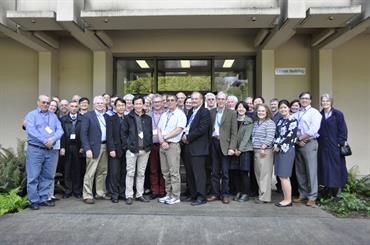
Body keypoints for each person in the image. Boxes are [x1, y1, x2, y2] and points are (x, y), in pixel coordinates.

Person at [24, 95, 64, 210]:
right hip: (36, 149)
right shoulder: (31, 115)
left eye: (48, 103)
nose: (46, 104)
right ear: (38, 103)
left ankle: (43, 198)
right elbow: (31, 130)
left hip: (50, 151)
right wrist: (44, 140)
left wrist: (52, 140)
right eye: (43, 102)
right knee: (33, 176)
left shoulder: (53, 116)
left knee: (48, 176)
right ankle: (33, 200)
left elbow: (60, 130)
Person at [121, 96, 153, 205]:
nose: (138, 106)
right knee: (130, 173)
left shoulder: (148, 118)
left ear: (143, 105)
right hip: (132, 150)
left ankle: (139, 194)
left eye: (140, 104)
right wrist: (127, 147)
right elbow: (123, 134)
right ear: (133, 105)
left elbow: (149, 134)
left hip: (145, 150)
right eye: (136, 104)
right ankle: (129, 195)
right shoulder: (127, 117)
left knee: (141, 173)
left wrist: (149, 146)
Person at [207, 92, 237, 204]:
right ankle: (215, 193)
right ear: (216, 100)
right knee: (214, 171)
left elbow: (234, 132)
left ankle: (225, 194)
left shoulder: (232, 113)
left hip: (225, 145)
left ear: (226, 100)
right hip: (213, 143)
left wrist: (232, 147)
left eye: (222, 99)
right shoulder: (211, 112)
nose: (220, 101)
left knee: (225, 172)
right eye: (218, 99)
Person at [157, 94, 187, 205]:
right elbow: (159, 128)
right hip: (163, 145)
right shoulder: (165, 114)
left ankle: (175, 196)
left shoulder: (180, 114)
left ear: (176, 102)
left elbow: (179, 129)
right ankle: (168, 194)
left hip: (172, 146)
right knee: (165, 172)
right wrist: (161, 141)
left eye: (172, 100)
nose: (170, 102)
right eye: (168, 100)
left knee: (174, 172)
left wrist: (165, 138)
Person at [293, 92, 322, 207]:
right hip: (298, 144)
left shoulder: (314, 113)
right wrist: (297, 140)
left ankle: (312, 197)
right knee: (300, 171)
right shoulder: (297, 113)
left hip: (309, 143)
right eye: (302, 98)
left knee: (311, 171)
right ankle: (302, 194)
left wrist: (301, 139)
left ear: (310, 100)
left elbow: (313, 129)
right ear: (299, 100)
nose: (304, 100)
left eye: (306, 98)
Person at [318, 93, 349, 200]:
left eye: (327, 101)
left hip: (334, 146)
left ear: (331, 102)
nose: (325, 103)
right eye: (323, 101)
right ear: (321, 102)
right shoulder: (319, 115)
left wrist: (340, 142)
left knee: (337, 168)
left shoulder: (338, 114)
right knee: (325, 168)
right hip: (323, 147)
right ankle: (328, 190)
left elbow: (343, 130)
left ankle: (337, 193)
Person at [182, 92, 210, 206]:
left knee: (199, 174)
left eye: (196, 99)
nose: (194, 101)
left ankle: (201, 197)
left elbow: (202, 129)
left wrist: (187, 137)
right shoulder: (190, 112)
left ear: (202, 100)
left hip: (198, 148)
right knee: (190, 173)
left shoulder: (205, 112)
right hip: (188, 147)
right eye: (192, 99)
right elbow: (187, 127)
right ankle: (193, 195)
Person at [80, 96, 110, 204]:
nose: (100, 105)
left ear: (105, 104)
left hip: (105, 146)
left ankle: (100, 193)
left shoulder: (107, 116)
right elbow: (83, 134)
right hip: (92, 148)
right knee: (90, 172)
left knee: (102, 172)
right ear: (94, 104)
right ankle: (87, 195)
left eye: (102, 103)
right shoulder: (88, 116)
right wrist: (87, 149)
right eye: (98, 103)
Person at [273, 100, 298, 207]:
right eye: (281, 108)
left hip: (286, 150)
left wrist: (278, 146)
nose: (283, 109)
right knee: (280, 175)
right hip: (278, 151)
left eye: (285, 107)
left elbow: (290, 137)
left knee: (284, 176)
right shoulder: (280, 120)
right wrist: (275, 144)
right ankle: (285, 198)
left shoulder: (293, 120)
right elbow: (276, 135)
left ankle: (288, 200)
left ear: (289, 108)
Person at [252, 104, 276, 204]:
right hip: (256, 150)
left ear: (267, 112)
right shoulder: (256, 123)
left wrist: (263, 147)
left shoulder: (270, 123)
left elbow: (270, 137)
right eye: (259, 111)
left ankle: (265, 197)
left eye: (263, 111)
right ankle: (261, 194)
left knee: (265, 175)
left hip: (264, 151)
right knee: (259, 174)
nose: (260, 113)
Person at [60, 100, 83, 198]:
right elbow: (61, 135)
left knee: (78, 169)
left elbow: (84, 134)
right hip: (67, 147)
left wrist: (83, 147)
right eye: (72, 106)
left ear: (78, 108)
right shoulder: (63, 119)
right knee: (67, 169)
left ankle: (77, 191)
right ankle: (68, 191)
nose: (74, 108)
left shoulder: (82, 119)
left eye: (76, 106)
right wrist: (62, 147)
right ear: (69, 107)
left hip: (78, 147)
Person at [232, 101, 253, 202]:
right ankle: (238, 191)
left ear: (246, 109)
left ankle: (245, 193)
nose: (241, 109)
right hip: (234, 150)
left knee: (244, 172)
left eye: (243, 107)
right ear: (236, 108)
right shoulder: (233, 120)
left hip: (245, 150)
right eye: (239, 107)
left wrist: (240, 149)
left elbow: (246, 138)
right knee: (235, 172)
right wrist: (234, 148)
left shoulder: (249, 121)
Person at [107, 98, 127, 203]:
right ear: (115, 107)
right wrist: (111, 149)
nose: (121, 107)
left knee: (124, 172)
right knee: (114, 173)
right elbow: (109, 135)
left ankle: (122, 193)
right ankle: (114, 194)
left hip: (126, 150)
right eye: (118, 105)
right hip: (115, 150)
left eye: (122, 105)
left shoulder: (128, 118)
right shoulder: (111, 119)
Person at [148, 94, 166, 199]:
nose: (157, 104)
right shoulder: (148, 115)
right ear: (152, 104)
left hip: (164, 144)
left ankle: (163, 190)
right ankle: (154, 190)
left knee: (164, 169)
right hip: (152, 145)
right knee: (153, 169)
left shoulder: (167, 114)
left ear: (163, 103)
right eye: (155, 102)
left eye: (159, 102)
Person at [48, 100, 61, 201]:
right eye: (51, 105)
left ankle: (50, 194)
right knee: (44, 173)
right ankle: (45, 195)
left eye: (55, 106)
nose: (52, 107)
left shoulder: (56, 118)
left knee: (52, 173)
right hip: (46, 148)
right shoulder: (43, 117)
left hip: (55, 148)